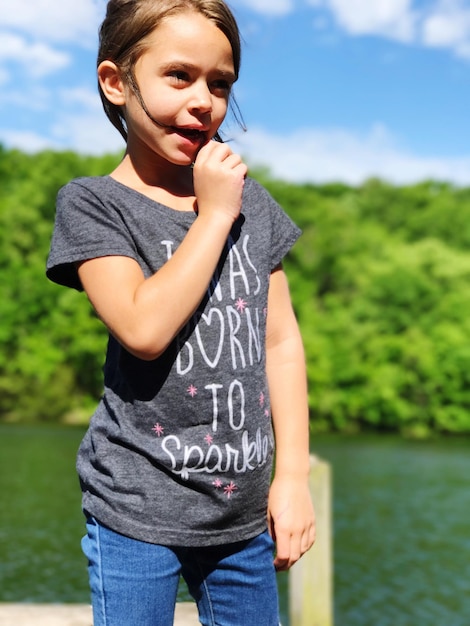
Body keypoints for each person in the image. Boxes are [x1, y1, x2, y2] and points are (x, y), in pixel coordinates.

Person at [46, 1, 315, 624]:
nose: (204, 102)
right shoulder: (94, 204)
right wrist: (214, 214)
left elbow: (281, 344)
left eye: (220, 84)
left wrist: (292, 477)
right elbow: (143, 329)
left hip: (242, 518)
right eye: (179, 76)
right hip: (136, 508)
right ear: (117, 82)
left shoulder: (255, 203)